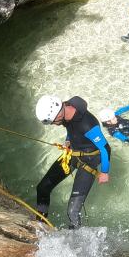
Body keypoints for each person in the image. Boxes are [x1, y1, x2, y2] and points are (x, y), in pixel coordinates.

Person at [34, 95, 111, 229]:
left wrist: (104, 172)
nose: (53, 124)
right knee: (42, 187)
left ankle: (75, 243)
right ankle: (40, 226)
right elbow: (71, 128)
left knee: (72, 212)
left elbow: (105, 148)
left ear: (58, 114)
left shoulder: (88, 125)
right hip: (72, 154)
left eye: (53, 122)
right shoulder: (65, 110)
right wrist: (69, 140)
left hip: (89, 161)